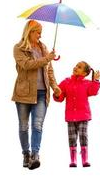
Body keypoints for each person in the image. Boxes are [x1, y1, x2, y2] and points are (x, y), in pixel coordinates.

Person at [12, 20, 61, 170]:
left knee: (37, 125)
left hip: (42, 93)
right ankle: (26, 154)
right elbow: (27, 65)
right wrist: (47, 58)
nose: (40, 35)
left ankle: (35, 155)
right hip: (24, 93)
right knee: (23, 126)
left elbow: (49, 70)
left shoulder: (43, 47)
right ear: (30, 31)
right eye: (38, 32)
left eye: (41, 32)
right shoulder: (19, 48)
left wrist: (54, 86)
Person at [53, 61, 100, 167]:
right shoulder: (66, 82)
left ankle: (85, 159)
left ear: (84, 73)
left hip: (83, 115)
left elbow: (93, 91)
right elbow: (60, 96)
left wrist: (96, 80)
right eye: (76, 65)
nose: (75, 67)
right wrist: (57, 94)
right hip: (70, 116)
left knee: (83, 136)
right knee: (72, 137)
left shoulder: (87, 83)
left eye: (79, 67)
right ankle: (73, 160)